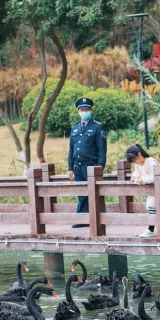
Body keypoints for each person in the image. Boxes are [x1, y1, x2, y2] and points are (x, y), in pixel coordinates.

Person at [67, 97, 106, 228]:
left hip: (91, 166)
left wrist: (100, 168)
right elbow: (71, 150)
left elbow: (102, 150)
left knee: (95, 193)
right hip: (78, 166)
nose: (84, 112)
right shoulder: (75, 128)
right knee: (81, 193)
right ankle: (83, 219)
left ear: (91, 110)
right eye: (82, 110)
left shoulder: (97, 127)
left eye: (87, 109)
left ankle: (100, 218)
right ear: (78, 111)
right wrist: (70, 168)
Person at [126, 144, 160, 238]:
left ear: (139, 155)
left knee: (152, 207)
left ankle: (151, 230)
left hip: (158, 189)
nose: (135, 163)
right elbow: (137, 172)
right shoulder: (138, 163)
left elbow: (154, 177)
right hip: (150, 190)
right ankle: (151, 230)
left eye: (135, 160)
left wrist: (143, 180)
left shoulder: (151, 162)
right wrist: (134, 177)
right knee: (151, 208)